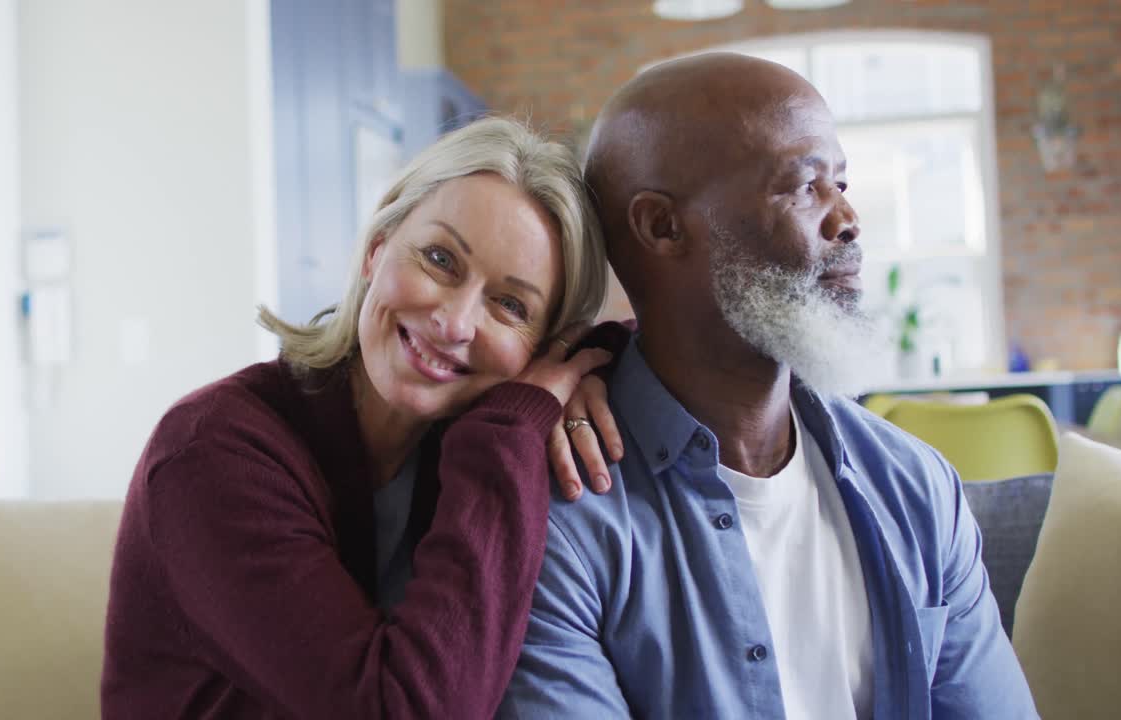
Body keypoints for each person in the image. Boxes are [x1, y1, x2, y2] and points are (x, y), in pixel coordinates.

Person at [500, 53, 1038, 719]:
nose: (847, 218)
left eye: (840, 182)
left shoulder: (917, 488)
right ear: (662, 226)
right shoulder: (559, 520)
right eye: (804, 186)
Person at [101, 116, 615, 718]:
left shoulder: (450, 432)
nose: (454, 323)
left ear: (541, 348)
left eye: (509, 304)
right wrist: (514, 427)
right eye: (439, 259)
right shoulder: (212, 452)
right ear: (377, 247)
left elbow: (636, 347)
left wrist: (593, 372)